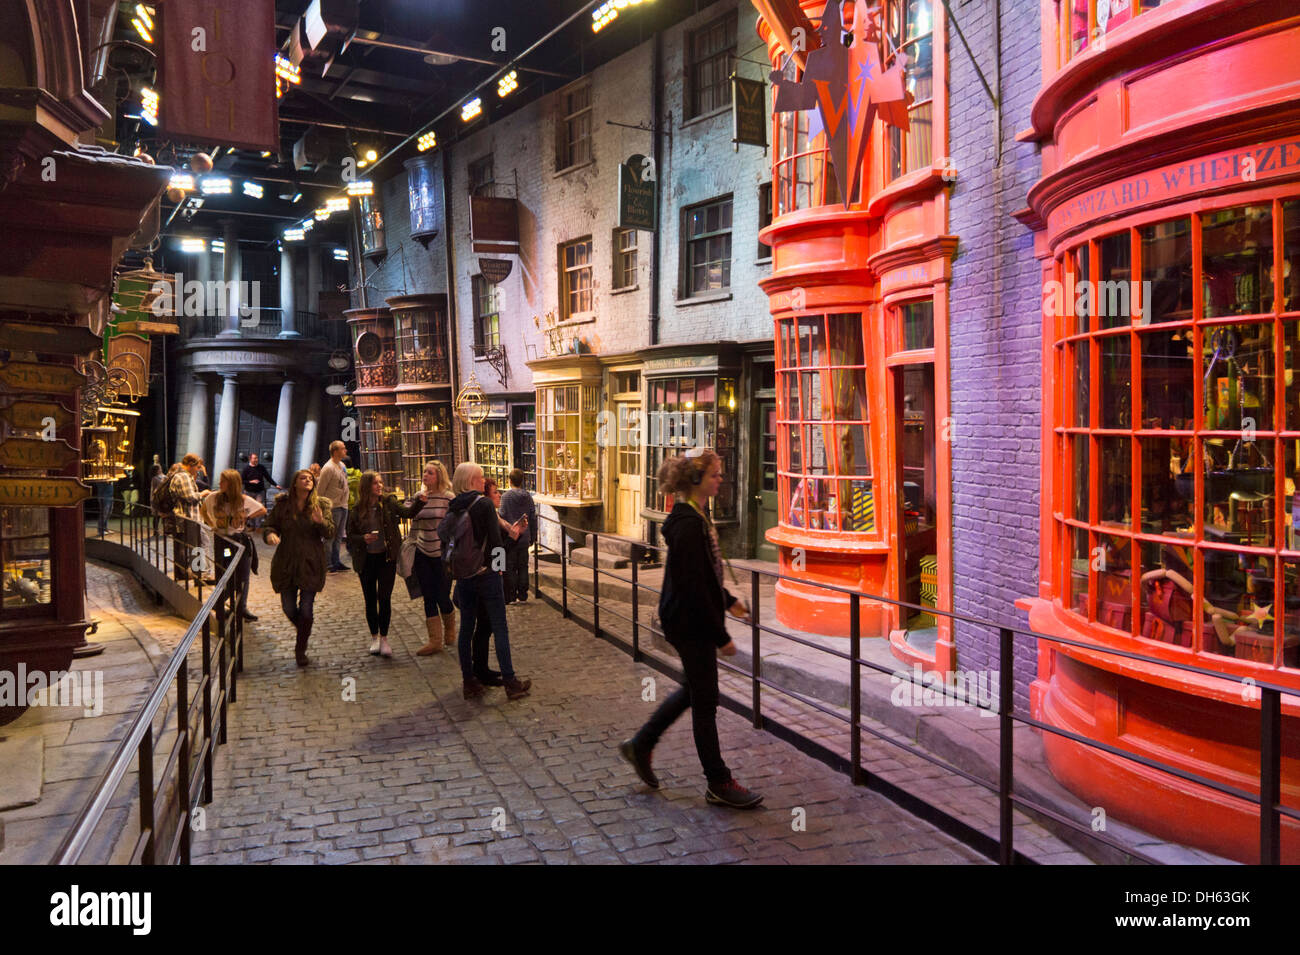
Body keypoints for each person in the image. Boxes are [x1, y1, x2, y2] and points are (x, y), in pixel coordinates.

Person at [619, 448, 763, 809]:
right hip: (688, 621)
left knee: (694, 691)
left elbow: (704, 574)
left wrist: (729, 600)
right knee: (705, 700)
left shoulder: (695, 516)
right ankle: (718, 781)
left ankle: (642, 744)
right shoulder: (686, 525)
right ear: (696, 480)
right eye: (714, 474)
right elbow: (693, 586)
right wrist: (721, 635)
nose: (720, 479)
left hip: (689, 618)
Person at [442, 462, 530, 701]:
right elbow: (495, 544)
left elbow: (444, 537)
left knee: (467, 629)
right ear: (471, 481)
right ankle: (511, 682)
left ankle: (468, 681)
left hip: (464, 576)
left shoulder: (454, 506)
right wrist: (500, 572)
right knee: (499, 627)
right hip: (487, 574)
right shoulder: (483, 505)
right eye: (481, 478)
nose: (484, 482)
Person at [347, 470, 425, 658]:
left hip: (386, 557)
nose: (380, 486)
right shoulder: (357, 509)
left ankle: (384, 638)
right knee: (370, 599)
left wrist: (420, 501)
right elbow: (350, 536)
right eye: (375, 483)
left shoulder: (389, 502)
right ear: (367, 487)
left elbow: (407, 513)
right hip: (366, 559)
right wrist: (363, 538)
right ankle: (374, 637)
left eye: (381, 482)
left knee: (385, 598)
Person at [263, 469, 334, 666]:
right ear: (295, 483)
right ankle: (303, 629)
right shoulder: (283, 505)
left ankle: (300, 649)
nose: (307, 481)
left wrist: (320, 522)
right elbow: (270, 525)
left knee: (306, 609)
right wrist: (270, 535)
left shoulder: (320, 506)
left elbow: (330, 532)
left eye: (310, 479)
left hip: (311, 562)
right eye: (303, 478)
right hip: (286, 561)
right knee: (288, 607)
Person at [201, 468, 267, 621]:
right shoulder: (214, 497)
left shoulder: (242, 499)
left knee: (243, 575)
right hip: (224, 543)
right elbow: (203, 510)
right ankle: (219, 605)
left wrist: (246, 516)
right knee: (225, 573)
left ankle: (241, 607)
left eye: (223, 480)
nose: (220, 483)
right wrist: (211, 524)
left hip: (240, 541)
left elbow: (262, 509)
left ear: (231, 484)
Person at [406, 460, 456, 656]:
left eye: (430, 473)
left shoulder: (448, 498)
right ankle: (434, 641)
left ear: (439, 476)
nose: (425, 476)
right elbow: (411, 517)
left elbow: (454, 525)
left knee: (442, 595)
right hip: (422, 551)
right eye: (424, 472)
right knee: (428, 596)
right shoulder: (420, 497)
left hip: (442, 555)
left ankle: (450, 628)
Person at [167, 454, 209, 582]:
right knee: (198, 545)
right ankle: (199, 574)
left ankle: (188, 573)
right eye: (197, 467)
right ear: (190, 465)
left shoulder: (180, 475)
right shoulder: (183, 476)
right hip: (189, 517)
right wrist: (203, 493)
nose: (198, 470)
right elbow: (190, 497)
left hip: (187, 517)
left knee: (191, 545)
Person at [499, 468, 536, 603]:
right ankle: (523, 593)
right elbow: (532, 517)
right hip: (524, 536)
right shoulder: (527, 496)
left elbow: (502, 516)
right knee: (523, 566)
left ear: (509, 480)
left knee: (510, 566)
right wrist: (533, 535)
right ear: (522, 481)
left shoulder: (505, 497)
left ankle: (512, 593)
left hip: (512, 537)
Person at [317, 440, 351, 572]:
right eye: (343, 449)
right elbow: (320, 490)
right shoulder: (328, 468)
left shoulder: (341, 465)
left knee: (339, 537)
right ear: (335, 451)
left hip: (343, 505)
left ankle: (336, 561)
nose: (345, 451)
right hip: (333, 507)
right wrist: (322, 508)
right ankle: (328, 563)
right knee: (330, 536)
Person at [241, 452, 275, 527]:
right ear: (250, 459)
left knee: (259, 508)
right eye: (255, 458)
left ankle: (257, 525)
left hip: (259, 492)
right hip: (248, 492)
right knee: (250, 508)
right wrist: (250, 482)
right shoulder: (246, 469)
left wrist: (275, 484)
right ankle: (251, 524)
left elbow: (267, 477)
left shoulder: (261, 467)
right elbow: (242, 480)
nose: (256, 459)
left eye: (257, 458)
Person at [149, 463, 166, 536]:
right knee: (156, 516)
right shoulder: (155, 478)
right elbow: (153, 490)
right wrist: (152, 499)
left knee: (164, 515)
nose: (160, 469)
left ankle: (166, 530)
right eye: (159, 468)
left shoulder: (165, 476)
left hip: (164, 498)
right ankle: (155, 531)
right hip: (157, 499)